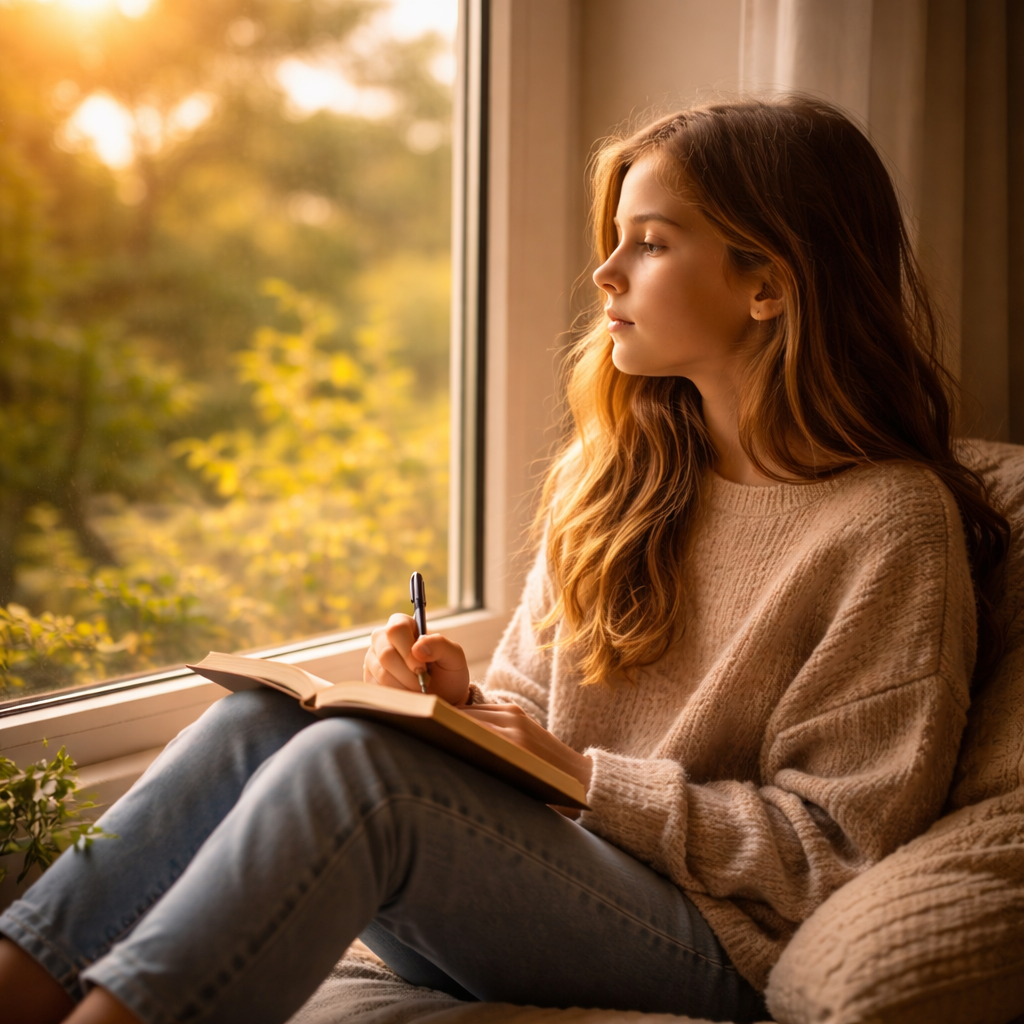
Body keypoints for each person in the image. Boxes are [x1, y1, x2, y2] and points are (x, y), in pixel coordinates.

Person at [0, 97, 1010, 1024]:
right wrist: (453, 706)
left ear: (767, 286)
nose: (605, 274)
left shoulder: (888, 525)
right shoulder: (618, 474)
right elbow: (532, 716)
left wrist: (577, 774)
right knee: (266, 719)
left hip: (714, 940)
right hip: (547, 873)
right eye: (613, 241)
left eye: (649, 244)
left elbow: (830, 851)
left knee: (366, 775)